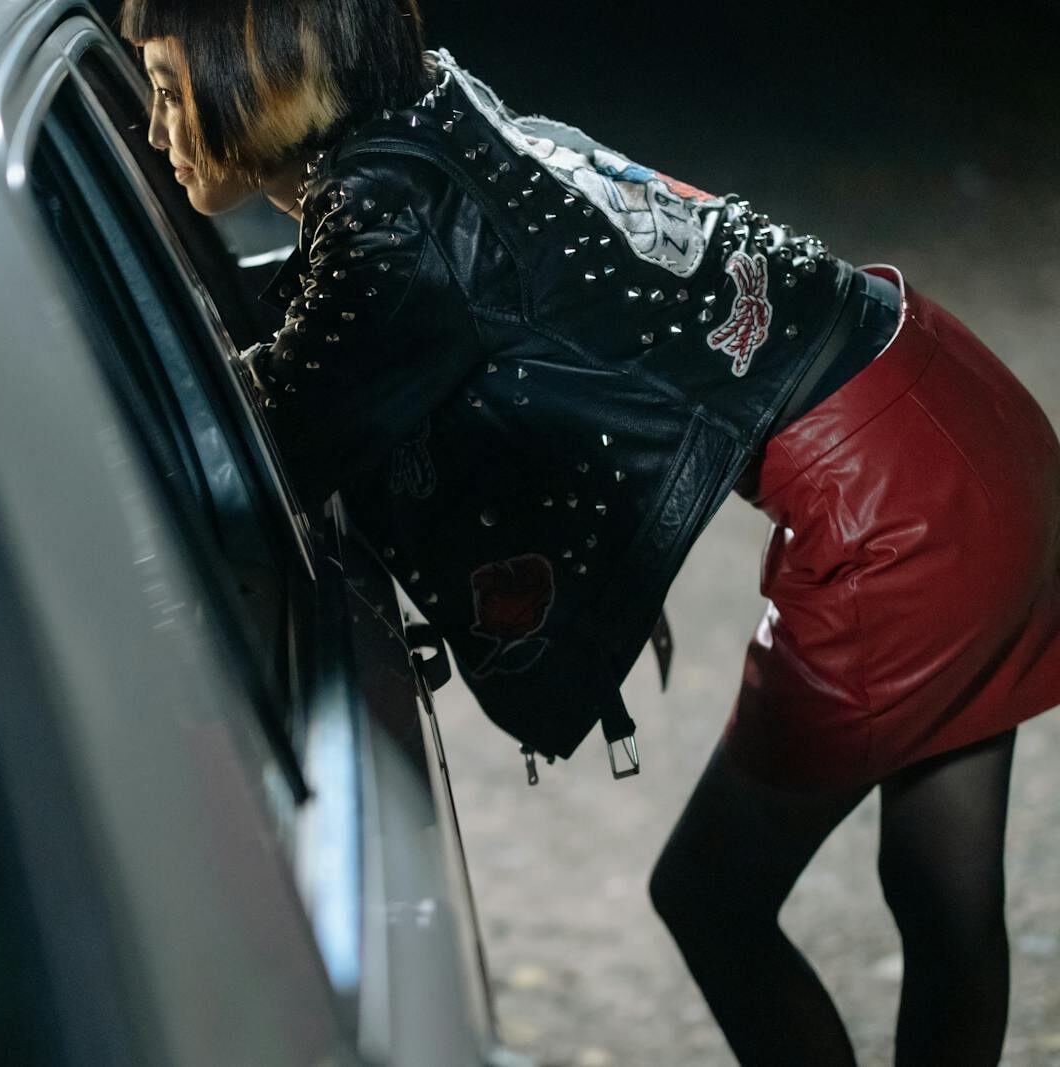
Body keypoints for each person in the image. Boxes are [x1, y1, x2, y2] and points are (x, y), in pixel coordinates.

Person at [119, 1, 1060, 1063]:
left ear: (259, 78)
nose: (153, 132)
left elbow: (258, 436)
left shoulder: (384, 213)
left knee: (712, 896)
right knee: (940, 892)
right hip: (957, 403)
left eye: (163, 88)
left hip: (895, 509)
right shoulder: (426, 105)